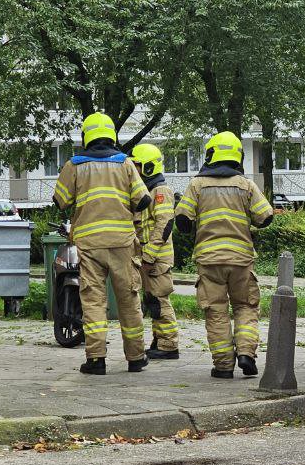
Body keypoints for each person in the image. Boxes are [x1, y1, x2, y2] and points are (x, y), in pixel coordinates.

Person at [52, 113, 151, 375]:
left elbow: (60, 200)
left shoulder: (75, 165)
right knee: (128, 300)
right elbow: (143, 200)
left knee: (93, 301)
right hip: (122, 243)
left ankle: (96, 359)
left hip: (90, 245)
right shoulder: (125, 163)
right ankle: (136, 357)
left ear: (87, 136)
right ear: (111, 135)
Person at [175, 131, 274, 379]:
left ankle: (223, 366)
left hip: (209, 260)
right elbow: (266, 217)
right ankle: (246, 353)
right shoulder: (246, 185)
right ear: (238, 156)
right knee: (246, 306)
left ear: (211, 154)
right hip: (241, 260)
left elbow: (183, 220)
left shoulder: (197, 185)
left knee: (216, 312)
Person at [131, 143, 179, 360]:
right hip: (148, 258)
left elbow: (164, 225)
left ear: (148, 167)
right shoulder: (146, 191)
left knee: (159, 301)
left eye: (137, 165)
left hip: (156, 258)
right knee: (152, 301)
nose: (134, 170)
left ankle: (169, 345)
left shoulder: (161, 191)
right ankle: (160, 340)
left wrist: (149, 255)